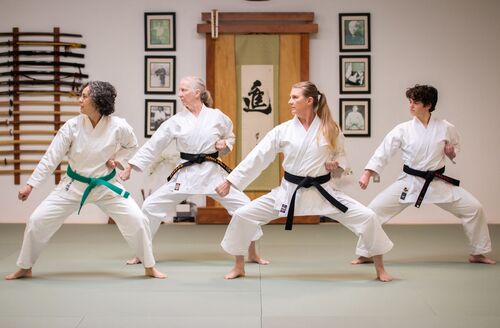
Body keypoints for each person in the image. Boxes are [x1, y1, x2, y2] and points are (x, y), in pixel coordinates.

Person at [216, 81, 394, 281]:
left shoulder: (330, 128)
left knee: (368, 216)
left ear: (309, 101)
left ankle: (380, 269)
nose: (290, 101)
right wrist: (230, 181)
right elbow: (257, 157)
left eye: (295, 97)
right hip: (289, 193)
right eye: (291, 97)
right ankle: (239, 266)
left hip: (324, 193)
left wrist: (335, 164)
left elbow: (341, 155)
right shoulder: (282, 131)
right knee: (242, 214)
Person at [5, 81, 165, 280]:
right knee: (37, 220)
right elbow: (51, 157)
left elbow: (132, 146)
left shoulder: (119, 126)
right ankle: (25, 266)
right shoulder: (72, 126)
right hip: (73, 185)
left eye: (85, 96)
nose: (80, 100)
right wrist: (31, 185)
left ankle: (149, 266)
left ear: (98, 100)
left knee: (138, 220)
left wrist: (118, 160)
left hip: (107, 186)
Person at [120, 76, 268, 266]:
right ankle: (141, 254)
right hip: (185, 175)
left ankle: (253, 252)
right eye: (179, 90)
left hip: (213, 173)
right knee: (150, 205)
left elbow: (229, 137)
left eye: (183, 90)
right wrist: (131, 166)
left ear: (197, 93)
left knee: (246, 206)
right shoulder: (176, 121)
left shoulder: (217, 116)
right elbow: (154, 145)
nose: (179, 94)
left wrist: (225, 144)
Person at [355, 84, 495, 265]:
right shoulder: (402, 129)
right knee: (373, 211)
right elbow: (383, 152)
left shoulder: (446, 127)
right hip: (409, 182)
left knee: (474, 209)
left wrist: (451, 152)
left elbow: (456, 148)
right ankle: (365, 253)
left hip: (437, 182)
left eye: (416, 102)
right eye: (410, 101)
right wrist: (367, 173)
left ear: (428, 105)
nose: (411, 105)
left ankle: (478, 253)